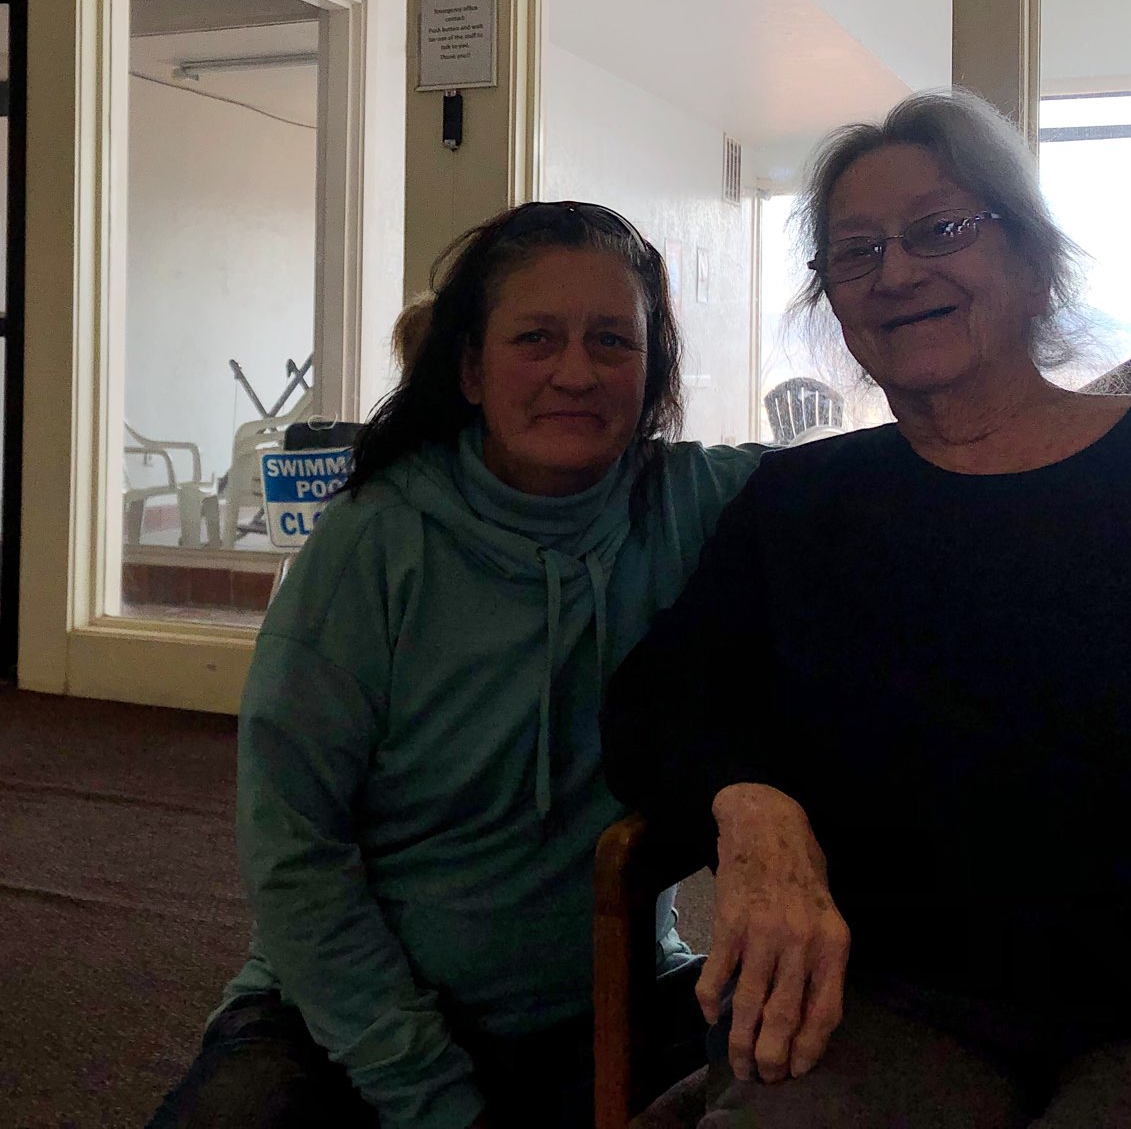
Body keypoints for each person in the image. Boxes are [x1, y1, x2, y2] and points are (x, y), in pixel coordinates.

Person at [603, 91, 1131, 1129]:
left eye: (939, 229)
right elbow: (659, 704)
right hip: (898, 997)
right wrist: (748, 802)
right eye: (856, 251)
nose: (896, 272)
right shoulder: (803, 504)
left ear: (1034, 259)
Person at [147, 201, 766, 1129]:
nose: (575, 372)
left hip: (617, 1000)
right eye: (535, 338)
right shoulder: (371, 542)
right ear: (470, 369)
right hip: (347, 1019)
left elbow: (878, 488)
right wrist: (431, 1096)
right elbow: (295, 856)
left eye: (612, 340)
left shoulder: (696, 503)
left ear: (652, 372)